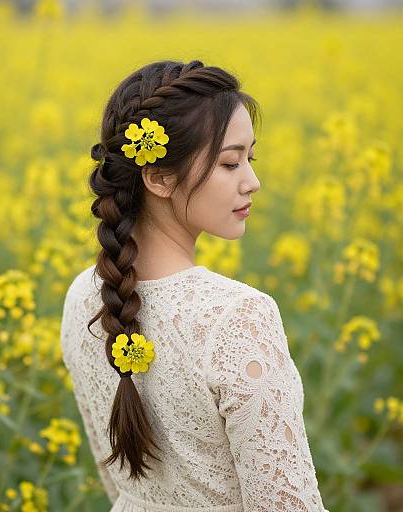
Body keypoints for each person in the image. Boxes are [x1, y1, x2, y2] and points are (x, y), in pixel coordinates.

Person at [60, 59, 329, 511]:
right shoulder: (238, 317)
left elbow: (119, 481)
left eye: (250, 158)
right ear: (159, 177)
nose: (253, 182)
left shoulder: (83, 297)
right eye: (230, 163)